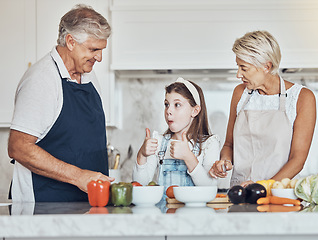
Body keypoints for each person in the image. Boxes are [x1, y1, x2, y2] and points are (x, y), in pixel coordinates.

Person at [7, 4, 113, 202]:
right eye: (93, 49)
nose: (99, 57)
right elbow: (18, 147)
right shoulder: (41, 80)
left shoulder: (88, 75)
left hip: (86, 204)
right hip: (45, 207)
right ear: (71, 42)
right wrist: (78, 176)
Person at [208, 30, 316, 187]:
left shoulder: (302, 98)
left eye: (244, 68)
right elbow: (229, 145)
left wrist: (264, 186)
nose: (238, 74)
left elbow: (297, 159)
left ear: (266, 66)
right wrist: (224, 161)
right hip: (240, 191)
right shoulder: (240, 94)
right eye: (238, 67)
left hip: (279, 194)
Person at [133, 77, 220, 192]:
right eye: (166, 104)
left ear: (195, 111)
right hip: (165, 210)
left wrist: (188, 157)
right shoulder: (158, 142)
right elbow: (140, 186)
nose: (168, 110)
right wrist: (142, 156)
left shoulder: (209, 144)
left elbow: (210, 187)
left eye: (177, 105)